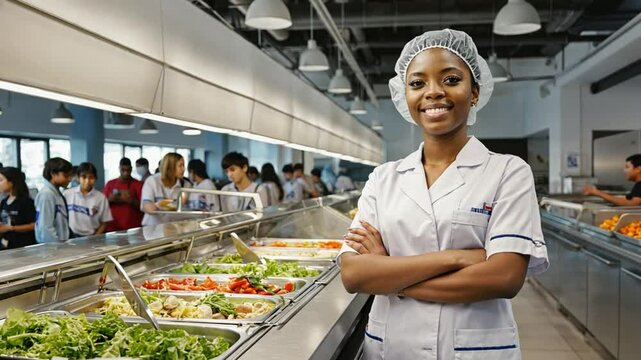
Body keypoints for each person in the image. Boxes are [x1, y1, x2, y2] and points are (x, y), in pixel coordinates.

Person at [339, 29, 548, 359]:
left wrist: (389, 275)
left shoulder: (508, 171)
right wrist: (460, 257)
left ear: (475, 92)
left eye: (450, 79)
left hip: (474, 349)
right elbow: (354, 274)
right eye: (418, 83)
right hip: (394, 347)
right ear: (405, 97)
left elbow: (505, 277)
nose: (433, 92)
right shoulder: (384, 178)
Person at [141, 153, 191, 226]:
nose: (183, 169)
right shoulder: (152, 181)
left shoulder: (186, 185)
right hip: (152, 229)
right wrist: (162, 204)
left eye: (183, 165)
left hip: (174, 228)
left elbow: (186, 208)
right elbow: (147, 207)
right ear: (170, 167)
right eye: (180, 166)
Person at [64, 162, 113, 237]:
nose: (87, 181)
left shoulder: (101, 198)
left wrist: (95, 238)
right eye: (84, 177)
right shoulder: (67, 194)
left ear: (95, 179)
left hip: (91, 236)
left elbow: (104, 223)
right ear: (78, 178)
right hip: (70, 236)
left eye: (91, 178)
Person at [35, 157, 72, 243]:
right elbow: (45, 228)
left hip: (60, 244)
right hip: (53, 248)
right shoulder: (47, 195)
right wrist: (55, 249)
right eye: (66, 176)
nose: (69, 179)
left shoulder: (57, 193)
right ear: (53, 174)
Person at [103, 157, 143, 232]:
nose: (126, 173)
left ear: (131, 169)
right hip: (113, 227)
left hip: (133, 228)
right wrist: (110, 200)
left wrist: (131, 200)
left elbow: (144, 206)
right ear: (119, 169)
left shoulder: (138, 184)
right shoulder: (110, 184)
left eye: (128, 170)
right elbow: (102, 205)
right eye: (123, 170)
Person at [0, 167, 36, 249]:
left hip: (23, 245)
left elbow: (33, 225)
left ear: (11, 181)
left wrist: (11, 228)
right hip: (6, 245)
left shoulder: (26, 202)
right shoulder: (4, 202)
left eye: (1, 180)